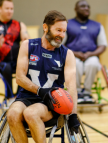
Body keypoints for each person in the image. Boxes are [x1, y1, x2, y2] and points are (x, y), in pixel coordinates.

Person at [6, 10, 79, 142]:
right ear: (45, 27)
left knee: (31, 113)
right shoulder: (27, 46)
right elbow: (19, 78)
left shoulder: (67, 54)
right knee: (12, 114)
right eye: (58, 30)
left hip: (52, 102)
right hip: (26, 97)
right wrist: (39, 90)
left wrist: (73, 114)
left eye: (64, 31)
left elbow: (71, 86)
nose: (61, 35)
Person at [0, 0, 29, 101]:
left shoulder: (19, 25)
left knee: (29, 64)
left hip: (16, 62)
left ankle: (19, 96)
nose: (9, 11)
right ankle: (10, 97)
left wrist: (26, 39)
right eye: (7, 8)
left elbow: (27, 38)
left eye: (11, 9)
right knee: (6, 66)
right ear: (0, 9)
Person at [63, 0, 108, 104]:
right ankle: (77, 93)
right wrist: (74, 53)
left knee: (93, 63)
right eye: (83, 6)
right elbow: (61, 45)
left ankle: (87, 93)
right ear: (76, 9)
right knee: (75, 64)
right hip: (72, 55)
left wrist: (90, 54)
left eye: (88, 6)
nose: (86, 8)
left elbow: (103, 45)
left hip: (91, 55)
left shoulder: (97, 25)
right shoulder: (67, 24)